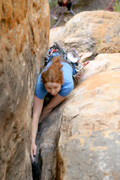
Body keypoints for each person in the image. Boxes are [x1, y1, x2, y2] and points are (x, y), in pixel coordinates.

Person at [31, 55, 74, 161]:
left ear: (61, 82)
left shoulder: (67, 85)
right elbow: (35, 115)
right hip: (52, 64)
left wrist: (39, 126)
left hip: (67, 64)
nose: (53, 92)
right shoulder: (40, 85)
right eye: (49, 88)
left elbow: (48, 108)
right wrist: (32, 141)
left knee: (48, 104)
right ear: (44, 85)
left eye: (56, 87)